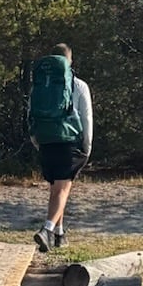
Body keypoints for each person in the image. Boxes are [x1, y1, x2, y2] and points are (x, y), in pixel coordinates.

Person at [30, 43, 92, 251]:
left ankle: (59, 233)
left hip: (45, 139)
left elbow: (31, 111)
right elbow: (86, 117)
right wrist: (87, 145)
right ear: (69, 61)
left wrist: (35, 139)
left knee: (56, 189)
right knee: (63, 189)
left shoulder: (40, 85)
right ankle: (46, 230)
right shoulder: (79, 85)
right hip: (69, 140)